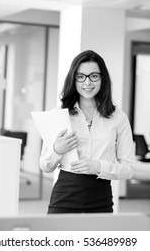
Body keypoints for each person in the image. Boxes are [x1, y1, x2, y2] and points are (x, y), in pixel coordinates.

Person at [40, 50, 135, 214]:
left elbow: (129, 169)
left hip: (101, 197)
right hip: (65, 196)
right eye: (81, 76)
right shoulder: (59, 114)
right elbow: (45, 166)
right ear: (74, 79)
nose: (87, 82)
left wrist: (99, 166)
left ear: (102, 78)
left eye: (94, 76)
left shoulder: (118, 117)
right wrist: (57, 150)